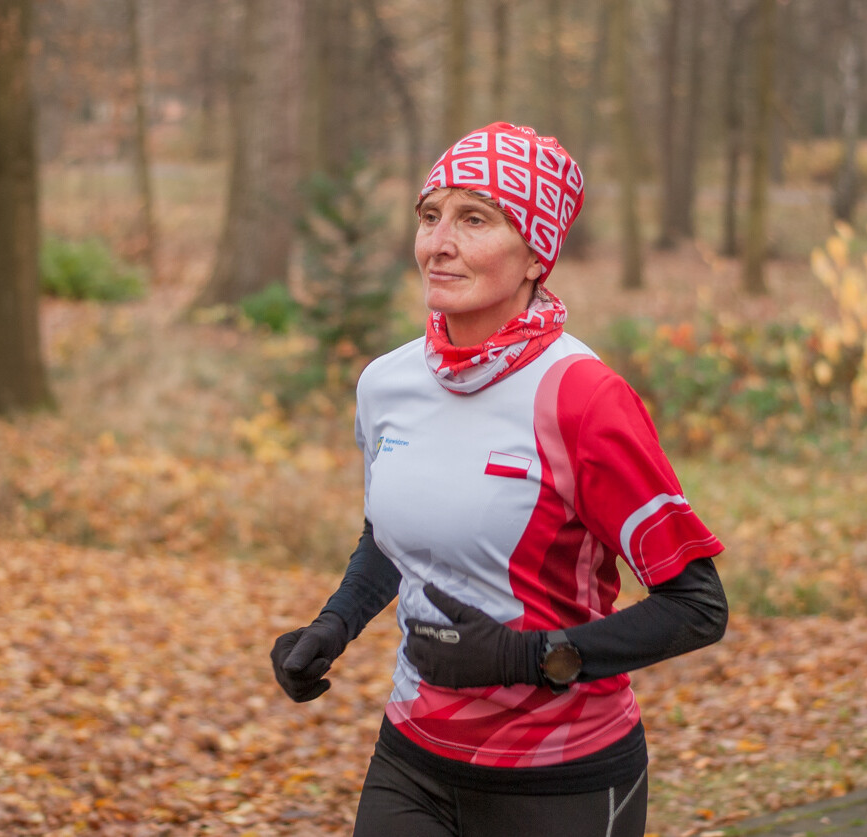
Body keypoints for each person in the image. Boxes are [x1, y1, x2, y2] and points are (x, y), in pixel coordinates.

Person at [271, 122, 728, 837]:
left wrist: (531, 655)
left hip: (561, 778)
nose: (438, 242)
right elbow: (395, 536)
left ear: (535, 254)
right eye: (430, 216)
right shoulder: (387, 383)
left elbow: (698, 605)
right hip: (413, 757)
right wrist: (335, 624)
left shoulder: (583, 397)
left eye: (474, 218)